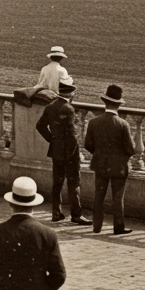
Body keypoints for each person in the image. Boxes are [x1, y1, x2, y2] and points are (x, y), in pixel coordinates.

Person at [37, 80, 90, 224]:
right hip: (69, 151)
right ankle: (76, 214)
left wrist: (53, 140)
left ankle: (56, 213)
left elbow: (40, 126)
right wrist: (75, 152)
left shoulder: (50, 106)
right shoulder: (69, 109)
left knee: (57, 182)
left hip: (56, 150)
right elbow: (72, 135)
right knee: (74, 182)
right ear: (71, 93)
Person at [83, 84, 134, 235]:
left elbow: (87, 145)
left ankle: (96, 226)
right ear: (118, 104)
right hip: (118, 166)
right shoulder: (123, 124)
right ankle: (118, 227)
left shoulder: (94, 122)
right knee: (118, 198)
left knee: (99, 195)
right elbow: (130, 149)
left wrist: (99, 153)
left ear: (105, 102)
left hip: (100, 164)